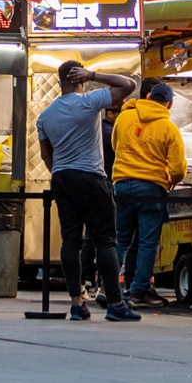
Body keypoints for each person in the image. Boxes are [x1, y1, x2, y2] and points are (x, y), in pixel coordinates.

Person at [37, 60, 140, 322]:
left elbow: (46, 156)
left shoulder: (45, 116)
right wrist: (93, 74)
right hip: (91, 178)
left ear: (60, 83)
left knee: (70, 241)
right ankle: (116, 304)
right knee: (105, 240)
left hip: (62, 178)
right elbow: (129, 84)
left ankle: (76, 303)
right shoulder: (89, 102)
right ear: (80, 80)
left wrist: (63, 172)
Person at [112, 83, 187, 308]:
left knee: (121, 239)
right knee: (147, 243)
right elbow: (177, 170)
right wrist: (170, 180)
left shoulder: (123, 118)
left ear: (148, 97)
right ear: (170, 104)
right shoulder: (168, 127)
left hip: (122, 185)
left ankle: (107, 287)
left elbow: (115, 146)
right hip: (151, 190)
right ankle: (139, 292)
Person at [81, 100, 121, 306]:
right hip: (105, 185)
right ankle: (105, 288)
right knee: (104, 238)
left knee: (88, 236)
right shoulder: (111, 133)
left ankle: (83, 281)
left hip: (90, 182)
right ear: (112, 113)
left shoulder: (97, 130)